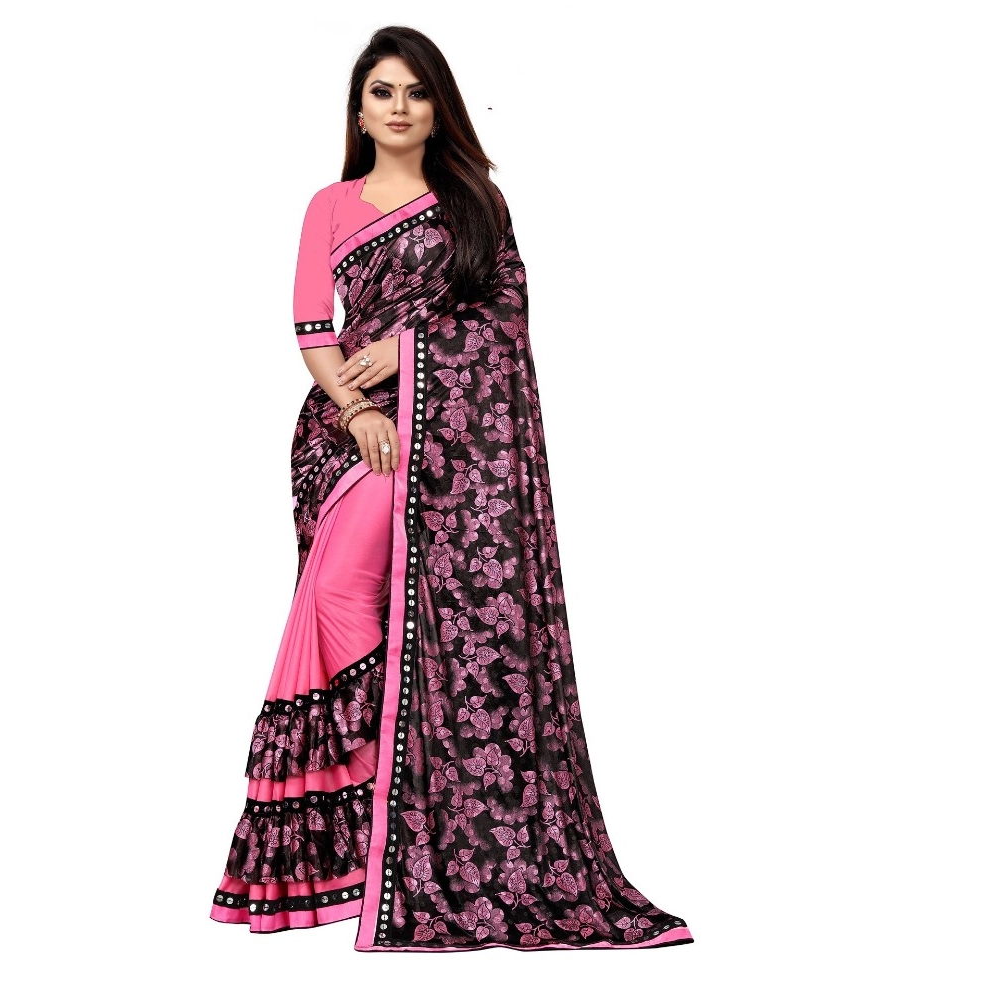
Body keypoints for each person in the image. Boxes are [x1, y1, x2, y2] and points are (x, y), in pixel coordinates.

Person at [209, 24, 695, 952]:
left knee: (430, 625)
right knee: (335, 602)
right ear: (359, 111)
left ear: (439, 108)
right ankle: (352, 843)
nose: (399, 107)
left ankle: (415, 833)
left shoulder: (476, 203)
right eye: (382, 92)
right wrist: (359, 410)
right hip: (349, 435)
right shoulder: (329, 205)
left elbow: (505, 323)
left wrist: (409, 349)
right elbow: (312, 331)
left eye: (416, 92)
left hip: (456, 444)